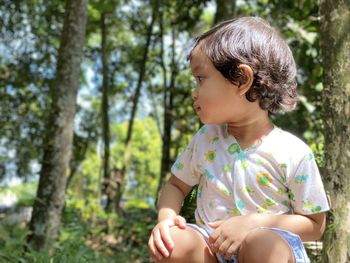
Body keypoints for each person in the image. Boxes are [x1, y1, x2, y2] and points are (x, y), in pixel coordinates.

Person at [148, 16, 330, 263]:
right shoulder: (206, 140)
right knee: (175, 244)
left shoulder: (293, 152)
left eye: (200, 79)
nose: (194, 92)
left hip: (268, 251)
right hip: (212, 248)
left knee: (261, 244)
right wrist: (166, 221)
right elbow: (175, 186)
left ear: (241, 80)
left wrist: (253, 224)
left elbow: (315, 225)